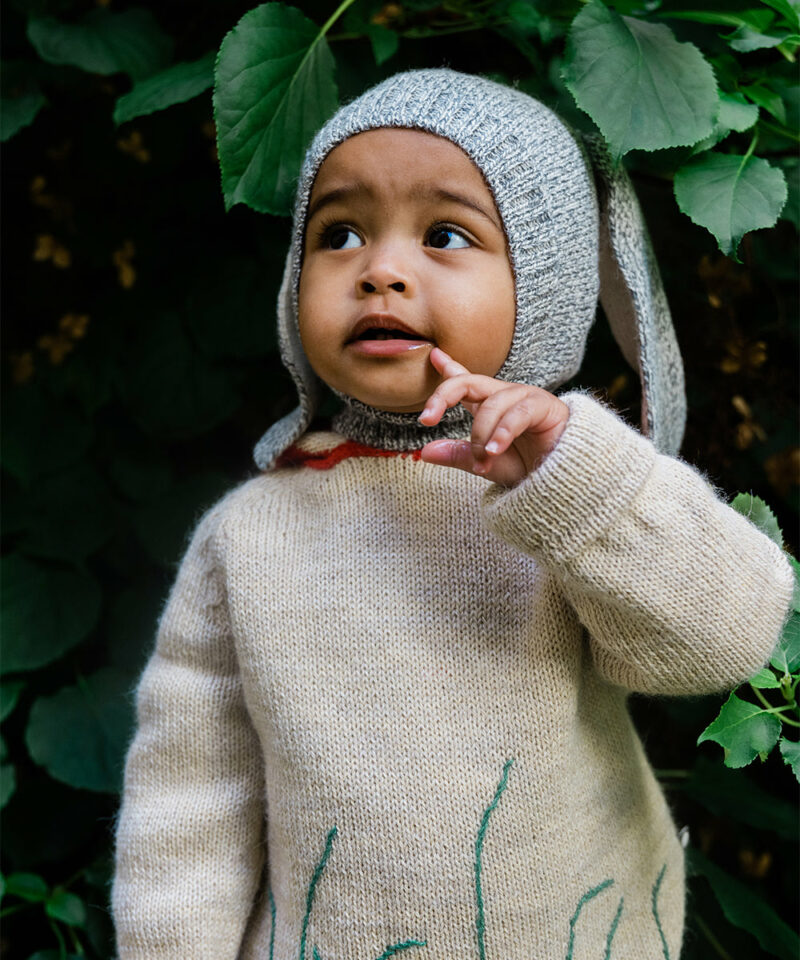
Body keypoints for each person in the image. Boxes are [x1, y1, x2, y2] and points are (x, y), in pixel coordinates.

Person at [111, 69, 793, 959]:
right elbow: (189, 799)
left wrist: (579, 479)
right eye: (340, 233)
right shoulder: (248, 536)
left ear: (546, 282)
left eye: (445, 234)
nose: (380, 271)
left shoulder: (568, 493)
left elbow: (724, 638)